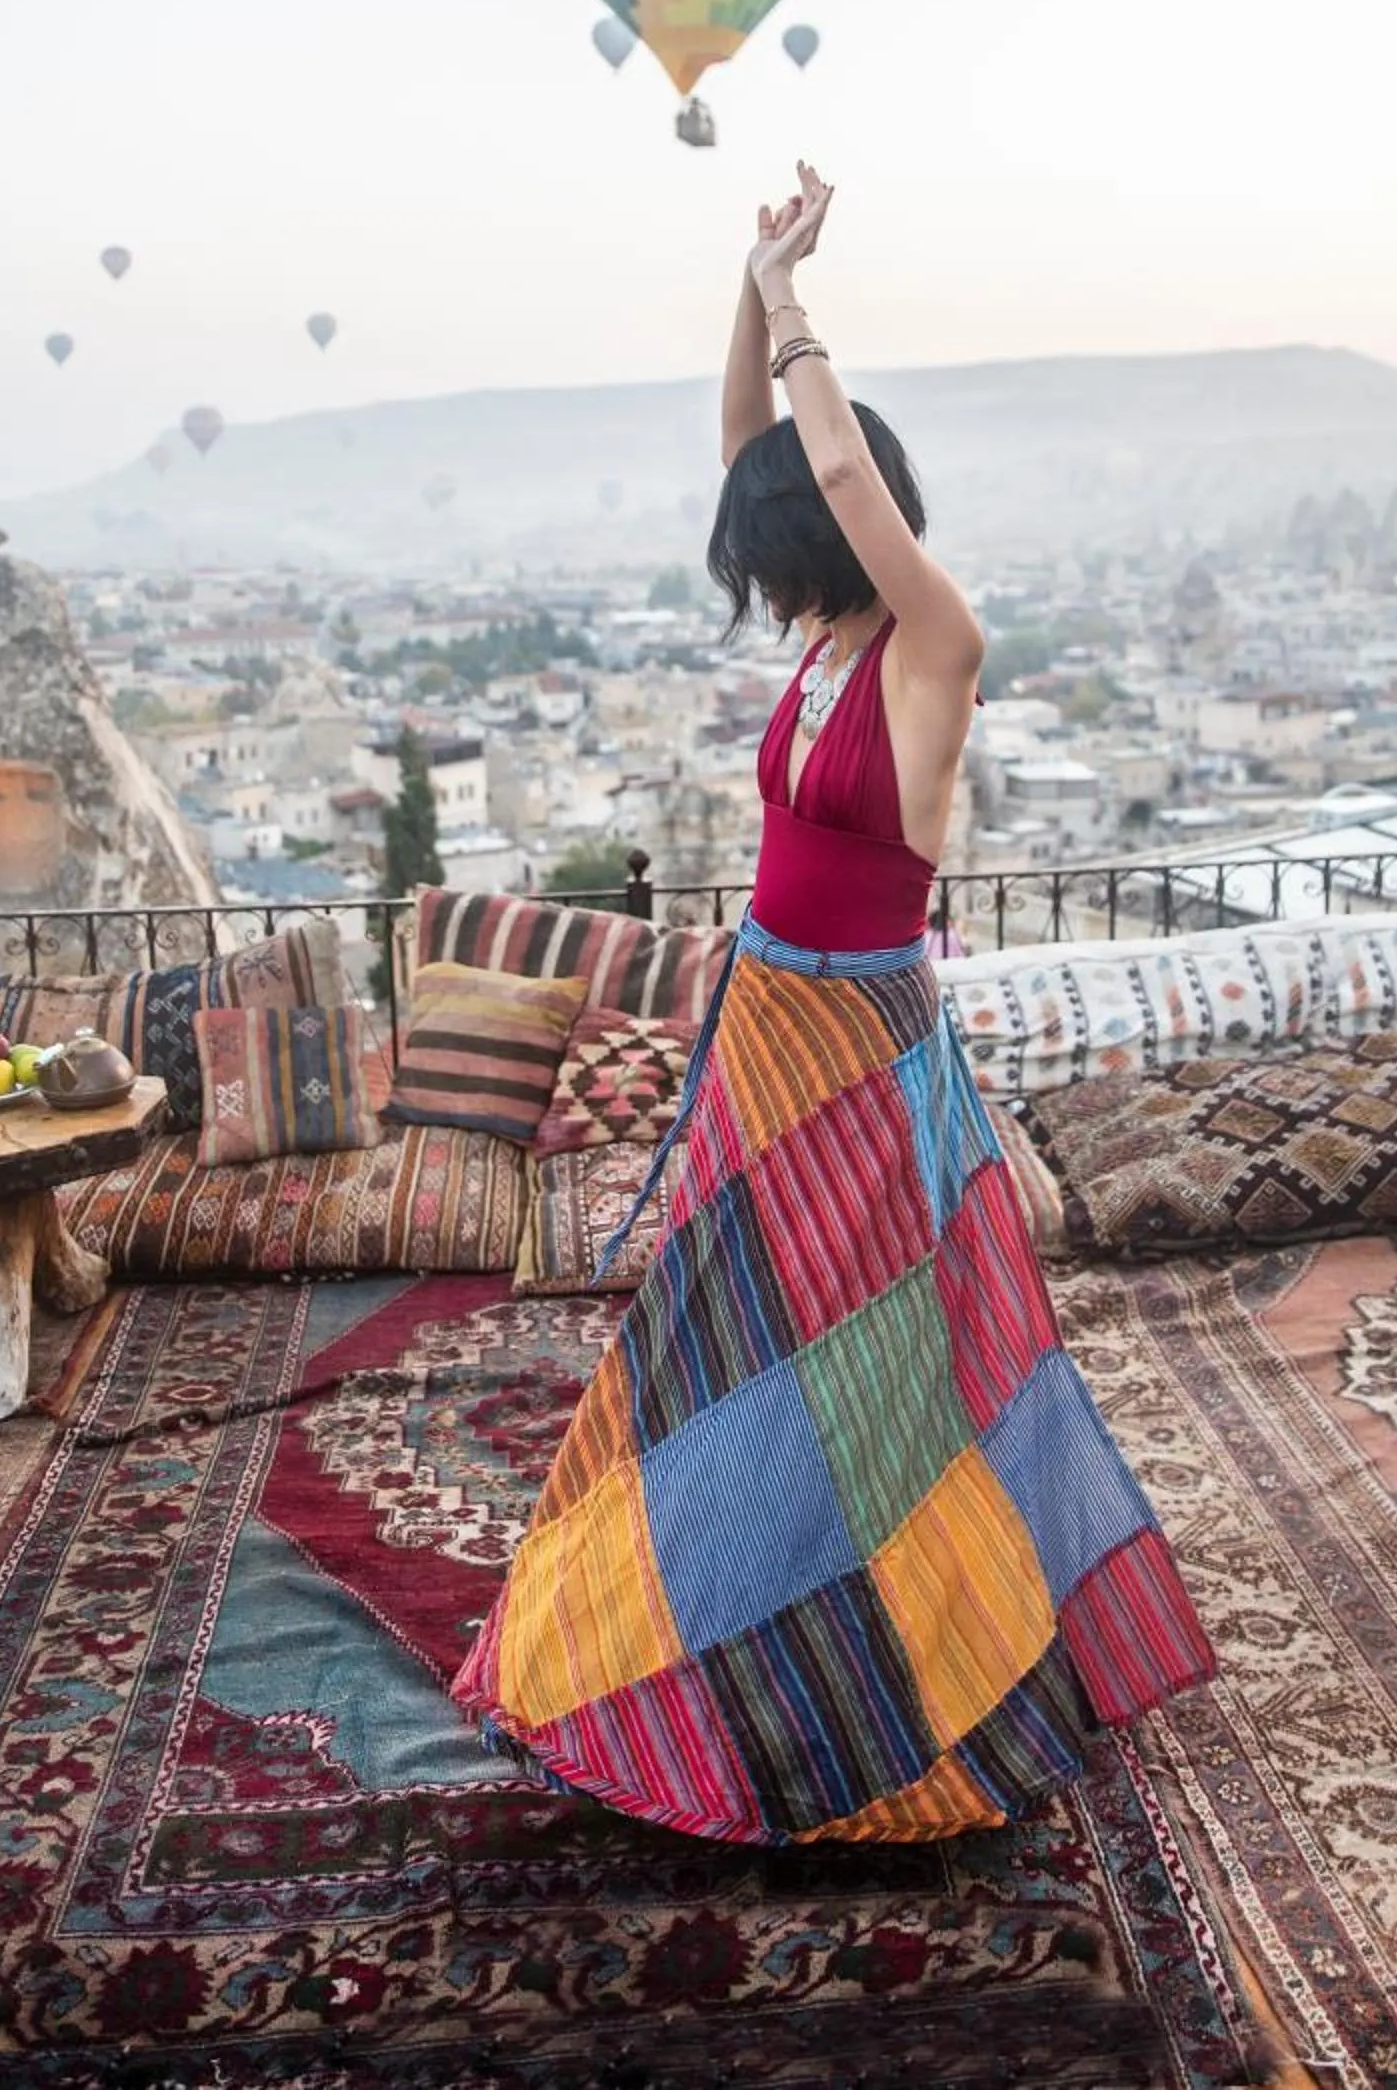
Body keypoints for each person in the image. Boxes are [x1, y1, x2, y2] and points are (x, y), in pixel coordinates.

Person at [451, 165, 1216, 1843]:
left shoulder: (933, 636)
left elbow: (838, 465)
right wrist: (747, 277)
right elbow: (764, 449)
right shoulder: (822, 640)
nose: (773, 569)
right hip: (770, 1033)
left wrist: (804, 309)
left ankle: (884, 1686)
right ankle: (690, 1648)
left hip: (865, 1050)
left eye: (785, 542)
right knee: (718, 1349)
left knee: (868, 1370)